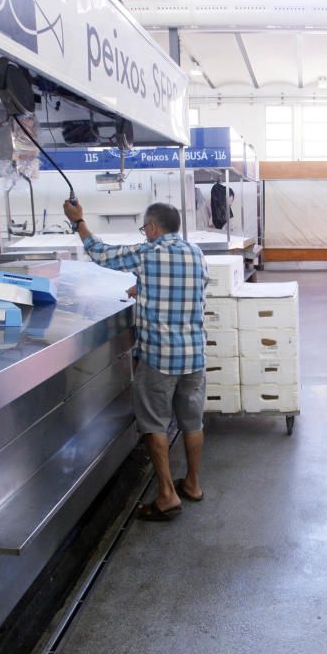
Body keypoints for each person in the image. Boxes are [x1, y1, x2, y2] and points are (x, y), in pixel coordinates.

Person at [64, 200, 209, 522]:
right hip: (195, 355)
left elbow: (101, 253)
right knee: (192, 422)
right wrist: (144, 287)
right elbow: (190, 291)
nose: (145, 234)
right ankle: (194, 485)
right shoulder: (196, 253)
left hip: (159, 357)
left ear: (154, 228)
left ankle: (168, 496)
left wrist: (79, 222)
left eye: (145, 229)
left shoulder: (148, 253)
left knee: (155, 424)